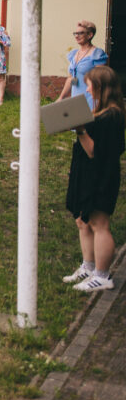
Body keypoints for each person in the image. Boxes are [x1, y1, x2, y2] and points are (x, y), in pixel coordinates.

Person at [62, 65, 124, 292]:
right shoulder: (104, 112)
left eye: (89, 86)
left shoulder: (111, 116)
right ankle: (88, 267)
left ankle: (102, 275)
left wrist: (80, 129)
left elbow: (94, 152)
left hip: (101, 177)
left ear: (100, 86)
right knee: (83, 220)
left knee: (99, 223)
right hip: (88, 174)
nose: (87, 91)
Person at [58, 20, 108, 110]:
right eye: (75, 33)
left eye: (80, 33)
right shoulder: (74, 54)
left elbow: (100, 79)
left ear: (90, 35)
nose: (77, 36)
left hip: (90, 97)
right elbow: (70, 78)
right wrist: (61, 97)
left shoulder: (97, 54)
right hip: (76, 96)